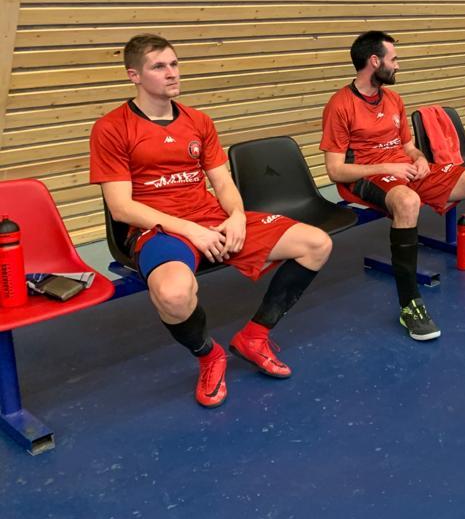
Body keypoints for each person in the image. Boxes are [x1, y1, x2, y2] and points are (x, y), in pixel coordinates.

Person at [90, 34, 333, 408]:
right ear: (134, 75)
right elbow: (121, 208)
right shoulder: (112, 128)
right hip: (158, 229)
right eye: (159, 67)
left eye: (174, 64)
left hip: (212, 219)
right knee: (173, 295)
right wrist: (190, 230)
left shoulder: (198, 121)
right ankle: (209, 355)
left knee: (316, 244)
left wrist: (236, 217)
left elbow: (223, 183)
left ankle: (254, 336)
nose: (171, 73)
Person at [321, 31, 465, 343]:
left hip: (406, 168)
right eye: (393, 59)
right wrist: (388, 168)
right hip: (366, 176)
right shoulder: (340, 105)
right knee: (407, 202)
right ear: (374, 61)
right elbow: (335, 170)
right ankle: (409, 305)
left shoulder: (393, 99)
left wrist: (420, 158)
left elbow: (408, 146)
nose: (398, 65)